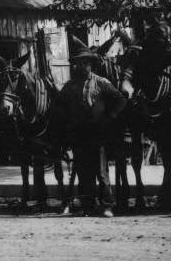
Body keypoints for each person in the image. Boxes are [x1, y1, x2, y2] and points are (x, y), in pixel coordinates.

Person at [52, 42, 128, 217]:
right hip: (79, 135)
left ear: (91, 64)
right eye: (79, 63)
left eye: (85, 63)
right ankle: (88, 206)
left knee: (101, 172)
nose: (82, 66)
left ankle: (107, 205)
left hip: (98, 134)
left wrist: (109, 118)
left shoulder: (102, 83)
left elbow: (120, 100)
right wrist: (66, 123)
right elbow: (59, 105)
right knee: (83, 172)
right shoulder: (70, 86)